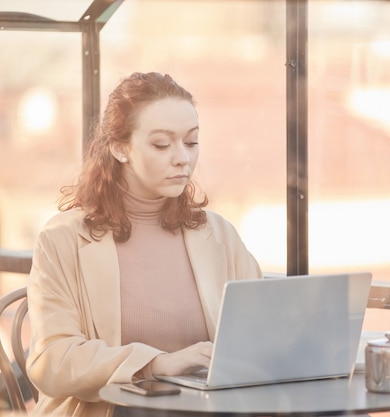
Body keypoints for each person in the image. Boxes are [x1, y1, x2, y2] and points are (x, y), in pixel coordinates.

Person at [26, 72, 262, 416]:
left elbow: (263, 332)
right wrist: (155, 364)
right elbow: (51, 360)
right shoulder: (63, 240)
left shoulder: (218, 234)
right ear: (120, 148)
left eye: (192, 142)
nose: (183, 158)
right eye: (162, 145)